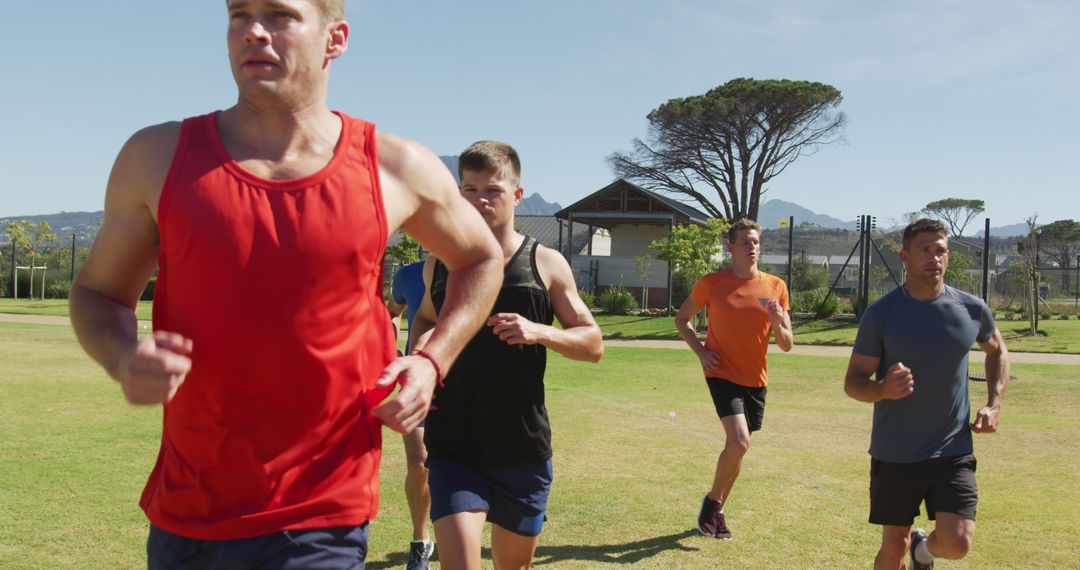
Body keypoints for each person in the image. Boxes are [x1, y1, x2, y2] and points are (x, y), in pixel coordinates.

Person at [68, 1, 503, 567]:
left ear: (335, 38)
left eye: (279, 15)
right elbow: (98, 294)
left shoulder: (394, 167)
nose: (253, 30)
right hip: (189, 508)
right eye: (239, 14)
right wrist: (124, 358)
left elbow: (480, 258)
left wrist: (431, 359)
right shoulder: (157, 157)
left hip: (322, 510)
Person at [409, 140, 604, 570]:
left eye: (492, 190)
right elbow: (423, 319)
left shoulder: (545, 263)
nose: (479, 200)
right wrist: (421, 364)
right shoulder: (439, 265)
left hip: (522, 449)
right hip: (454, 447)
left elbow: (593, 343)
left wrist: (539, 332)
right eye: (469, 189)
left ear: (516, 195)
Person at [844, 218, 1010, 570]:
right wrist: (882, 389)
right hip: (897, 454)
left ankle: (924, 551)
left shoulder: (971, 309)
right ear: (905, 257)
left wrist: (994, 404)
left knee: (958, 542)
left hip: (953, 449)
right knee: (893, 549)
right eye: (925, 250)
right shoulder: (882, 314)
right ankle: (911, 549)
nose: (934, 258)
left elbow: (997, 352)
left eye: (940, 251)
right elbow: (854, 381)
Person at [674, 218, 793, 540]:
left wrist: (779, 323)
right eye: (745, 242)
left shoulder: (776, 287)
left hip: (756, 378)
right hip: (721, 372)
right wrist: (701, 352)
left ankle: (716, 509)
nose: (751, 246)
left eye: (755, 241)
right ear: (731, 248)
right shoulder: (711, 283)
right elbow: (682, 319)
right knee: (739, 441)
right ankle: (713, 502)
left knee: (740, 448)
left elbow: (786, 344)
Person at [387, 260, 436, 569]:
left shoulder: (476, 266)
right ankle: (420, 540)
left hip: (466, 388)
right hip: (417, 385)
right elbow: (392, 312)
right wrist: (392, 349)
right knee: (418, 466)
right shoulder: (408, 275)